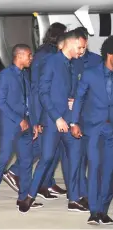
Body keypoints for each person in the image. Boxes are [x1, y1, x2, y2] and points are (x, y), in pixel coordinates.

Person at [19, 30, 89, 213]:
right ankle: (29, 196)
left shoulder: (73, 65)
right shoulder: (51, 61)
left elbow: (72, 91)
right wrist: (56, 118)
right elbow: (43, 92)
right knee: (47, 158)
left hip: (69, 121)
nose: (82, 51)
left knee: (75, 158)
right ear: (71, 44)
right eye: (80, 47)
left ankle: (74, 199)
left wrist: (73, 102)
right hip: (52, 121)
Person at [3, 23, 68, 199]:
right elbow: (38, 87)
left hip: (47, 105)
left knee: (53, 148)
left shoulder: (48, 53)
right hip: (42, 105)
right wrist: (37, 116)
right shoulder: (45, 55)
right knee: (41, 146)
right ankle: (15, 172)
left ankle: (46, 182)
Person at [0, 44, 41, 210]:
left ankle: (23, 198)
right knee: (3, 159)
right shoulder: (4, 76)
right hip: (10, 126)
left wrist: (35, 123)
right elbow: (0, 102)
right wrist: (19, 120)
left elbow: (30, 101)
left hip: (26, 126)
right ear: (20, 56)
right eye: (29, 55)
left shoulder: (25, 75)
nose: (31, 58)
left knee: (26, 162)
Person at [70, 35, 113, 225]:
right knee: (94, 168)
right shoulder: (90, 73)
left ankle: (103, 210)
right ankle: (94, 211)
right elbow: (78, 99)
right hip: (94, 129)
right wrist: (74, 123)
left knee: (109, 171)